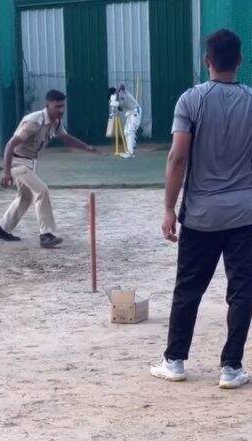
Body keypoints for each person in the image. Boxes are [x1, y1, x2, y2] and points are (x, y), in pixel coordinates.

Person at [151, 29, 252, 389]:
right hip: (245, 215)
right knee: (243, 290)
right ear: (240, 60)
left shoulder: (190, 100)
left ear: (206, 61)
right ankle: (231, 367)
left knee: (188, 288)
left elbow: (178, 157)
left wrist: (168, 208)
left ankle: (175, 361)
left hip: (200, 215)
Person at [0, 89, 99, 248]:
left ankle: (1, 228)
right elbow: (10, 144)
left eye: (63, 106)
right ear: (47, 105)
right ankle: (46, 235)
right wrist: (6, 172)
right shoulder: (34, 122)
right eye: (57, 106)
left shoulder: (56, 123)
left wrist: (86, 147)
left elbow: (66, 138)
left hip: (29, 163)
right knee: (42, 190)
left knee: (25, 197)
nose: (61, 110)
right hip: (17, 162)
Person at [107, 84, 142, 158]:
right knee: (126, 131)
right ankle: (130, 150)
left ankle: (131, 153)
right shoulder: (116, 99)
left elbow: (121, 85)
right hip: (130, 113)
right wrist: (116, 105)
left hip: (136, 110)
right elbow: (121, 109)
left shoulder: (122, 92)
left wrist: (116, 95)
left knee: (130, 131)